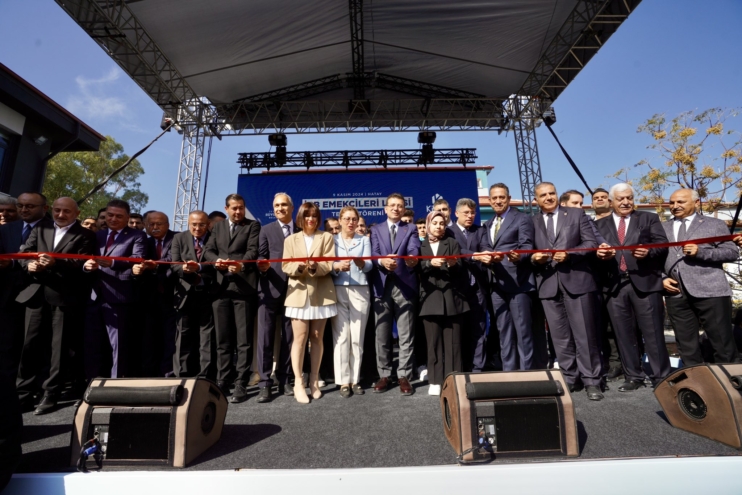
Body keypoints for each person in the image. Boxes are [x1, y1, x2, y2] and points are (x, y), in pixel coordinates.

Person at [15, 197, 96, 414]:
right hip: (36, 295)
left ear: (76, 214)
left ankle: (51, 394)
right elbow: (25, 252)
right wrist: (29, 264)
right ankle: (23, 394)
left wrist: (55, 262)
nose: (61, 215)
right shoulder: (41, 227)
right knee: (28, 346)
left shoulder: (86, 235)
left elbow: (82, 262)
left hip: (64, 297)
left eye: (66, 211)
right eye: (58, 210)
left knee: (58, 350)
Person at [530, 182, 603, 400]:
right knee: (560, 337)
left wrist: (569, 254)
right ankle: (570, 378)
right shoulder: (532, 221)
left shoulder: (576, 214)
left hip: (577, 281)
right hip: (548, 284)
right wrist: (535, 258)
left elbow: (590, 243)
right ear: (536, 200)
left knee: (585, 335)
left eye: (552, 193)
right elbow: (528, 250)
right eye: (543, 195)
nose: (548, 197)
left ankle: (592, 380)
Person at [595, 183, 671, 390]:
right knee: (623, 333)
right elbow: (593, 251)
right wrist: (600, 255)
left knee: (653, 333)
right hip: (615, 285)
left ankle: (661, 377)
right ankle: (633, 376)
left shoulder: (648, 218)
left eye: (629, 197)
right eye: (621, 199)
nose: (626, 202)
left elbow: (662, 245)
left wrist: (649, 251)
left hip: (646, 283)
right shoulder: (599, 225)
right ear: (611, 201)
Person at [662, 188, 740, 365]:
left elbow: (731, 252)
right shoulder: (662, 228)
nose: (675, 206)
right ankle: (696, 379)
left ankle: (730, 379)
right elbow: (654, 258)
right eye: (672, 202)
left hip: (711, 291)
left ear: (697, 203)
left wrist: (701, 252)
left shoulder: (714, 224)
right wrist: (662, 278)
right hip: (675, 292)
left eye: (681, 202)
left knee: (722, 342)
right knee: (686, 345)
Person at [204, 194, 261, 403]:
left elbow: (253, 251)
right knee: (223, 340)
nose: (238, 211)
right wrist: (216, 260)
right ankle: (223, 380)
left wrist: (240, 265)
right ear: (226, 208)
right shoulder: (217, 227)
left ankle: (241, 382)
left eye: (241, 208)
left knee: (243, 341)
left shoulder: (253, 226)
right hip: (220, 289)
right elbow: (208, 251)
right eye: (234, 208)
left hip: (243, 288)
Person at [83, 199, 146, 379]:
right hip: (94, 296)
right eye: (110, 215)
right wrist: (86, 267)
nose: (113, 219)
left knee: (118, 346)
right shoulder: (97, 235)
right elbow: (84, 257)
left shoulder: (136, 236)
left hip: (119, 297)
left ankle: (115, 383)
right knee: (93, 344)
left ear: (127, 217)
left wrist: (111, 262)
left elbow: (137, 258)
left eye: (119, 216)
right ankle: (93, 383)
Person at [477, 183, 536, 371]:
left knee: (523, 332)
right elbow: (485, 247)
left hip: (518, 282)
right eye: (494, 198)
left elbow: (527, 246)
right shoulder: (488, 224)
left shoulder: (522, 219)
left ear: (508, 199)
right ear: (489, 201)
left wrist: (518, 256)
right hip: (496, 284)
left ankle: (526, 374)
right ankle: (509, 372)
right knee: (504, 331)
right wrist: (486, 256)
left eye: (501, 197)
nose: (498, 201)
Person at [282, 202, 337, 404]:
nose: (311, 219)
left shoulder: (326, 237)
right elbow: (285, 265)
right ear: (300, 218)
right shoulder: (290, 239)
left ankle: (314, 379)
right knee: (299, 338)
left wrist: (315, 267)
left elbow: (329, 263)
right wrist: (298, 267)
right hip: (298, 294)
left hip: (321, 292)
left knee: (316, 337)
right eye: (307, 215)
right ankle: (298, 382)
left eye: (314, 216)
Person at [368, 193, 420, 395]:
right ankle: (384, 374)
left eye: (400, 206)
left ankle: (404, 375)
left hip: (404, 285)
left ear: (403, 209)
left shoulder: (411, 228)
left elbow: (414, 249)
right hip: (381, 285)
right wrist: (382, 261)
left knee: (406, 334)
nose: (396, 208)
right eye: (392, 205)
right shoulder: (376, 229)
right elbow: (374, 253)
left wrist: (411, 259)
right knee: (381, 334)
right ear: (385, 209)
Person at [0, 192, 49, 382]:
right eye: (20, 206)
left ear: (44, 208)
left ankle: (31, 386)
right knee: (7, 343)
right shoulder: (7, 229)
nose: (24, 210)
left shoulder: (54, 229)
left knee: (34, 344)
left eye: (29, 206)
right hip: (8, 294)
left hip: (39, 294)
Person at [255, 193, 299, 402]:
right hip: (269, 288)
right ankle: (265, 383)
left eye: (283, 205)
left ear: (292, 207)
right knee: (265, 338)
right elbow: (261, 256)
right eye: (276, 205)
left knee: (290, 338)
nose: (280, 208)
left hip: (296, 290)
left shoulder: (301, 229)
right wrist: (262, 266)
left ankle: (285, 378)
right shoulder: (265, 230)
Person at [419, 211, 468, 395]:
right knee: (433, 342)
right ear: (428, 225)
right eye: (435, 223)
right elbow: (417, 269)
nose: (439, 226)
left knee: (453, 343)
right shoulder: (420, 245)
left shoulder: (452, 243)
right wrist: (429, 263)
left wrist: (453, 264)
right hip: (430, 299)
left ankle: (454, 379)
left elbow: (460, 268)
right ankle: (435, 380)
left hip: (451, 298)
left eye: (442, 223)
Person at [330, 206, 372, 398]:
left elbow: (369, 265)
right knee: (341, 337)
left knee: (357, 337)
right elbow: (328, 264)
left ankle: (355, 380)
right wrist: (337, 266)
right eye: (347, 219)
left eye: (354, 219)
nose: (350, 222)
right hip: (338, 289)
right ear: (339, 220)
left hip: (360, 290)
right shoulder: (332, 240)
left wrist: (361, 262)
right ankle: (343, 381)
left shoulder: (364, 240)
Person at [171, 211, 217, 378]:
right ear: (188, 224)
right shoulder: (179, 238)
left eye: (202, 224)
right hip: (185, 293)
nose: (197, 228)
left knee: (207, 336)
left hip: (209, 292)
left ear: (208, 224)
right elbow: (174, 264)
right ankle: (181, 375)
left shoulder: (214, 238)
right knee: (183, 335)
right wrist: (183, 269)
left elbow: (217, 262)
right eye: (194, 225)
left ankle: (205, 375)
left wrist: (200, 268)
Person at [133, 211, 177, 376]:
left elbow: (174, 259)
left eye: (159, 223)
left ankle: (169, 373)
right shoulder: (143, 241)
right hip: (148, 297)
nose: (155, 227)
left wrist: (155, 265)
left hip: (172, 295)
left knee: (170, 337)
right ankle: (149, 373)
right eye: (151, 224)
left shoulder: (178, 238)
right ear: (145, 226)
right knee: (149, 337)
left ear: (168, 225)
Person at [448, 198, 488, 372]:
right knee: (459, 330)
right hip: (457, 289)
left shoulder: (480, 230)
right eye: (466, 213)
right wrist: (475, 255)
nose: (470, 216)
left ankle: (478, 368)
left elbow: (486, 248)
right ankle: (462, 367)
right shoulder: (448, 231)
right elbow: (456, 250)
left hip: (478, 287)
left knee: (479, 329)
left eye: (472, 213)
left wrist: (486, 254)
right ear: (456, 213)